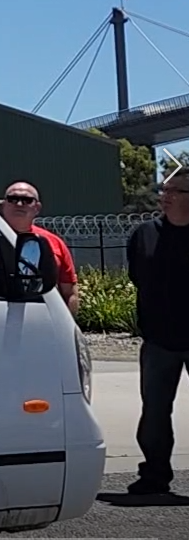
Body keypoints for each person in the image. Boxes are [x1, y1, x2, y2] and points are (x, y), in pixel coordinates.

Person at [126, 169, 189, 496]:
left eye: (175, 191)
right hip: (159, 341)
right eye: (164, 190)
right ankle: (154, 476)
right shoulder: (144, 234)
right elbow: (138, 277)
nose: (166, 196)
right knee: (154, 412)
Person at [0, 181, 79, 314]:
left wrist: (68, 326)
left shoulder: (54, 242)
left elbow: (69, 292)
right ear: (4, 205)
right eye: (13, 199)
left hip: (42, 318)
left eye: (27, 200)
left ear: (37, 208)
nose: (19, 204)